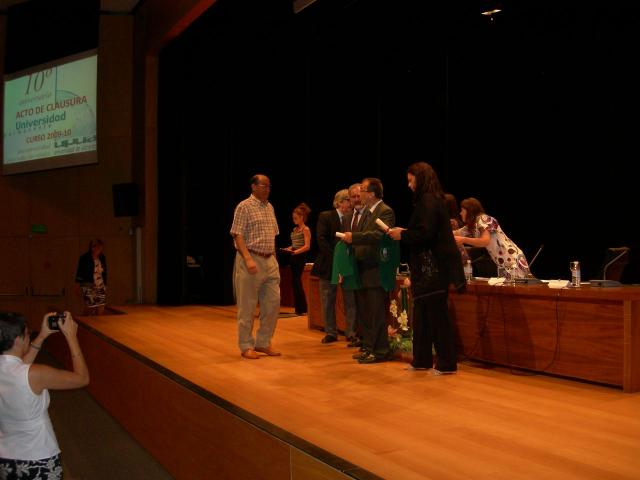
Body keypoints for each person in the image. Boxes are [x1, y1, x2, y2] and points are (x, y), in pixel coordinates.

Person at [388, 162, 465, 374]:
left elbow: (426, 233)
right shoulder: (429, 200)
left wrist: (403, 234)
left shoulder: (429, 201)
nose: (409, 185)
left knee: (437, 316)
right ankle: (421, 360)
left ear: (420, 179)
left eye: (411, 180)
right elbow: (425, 230)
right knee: (422, 315)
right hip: (426, 269)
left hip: (433, 268)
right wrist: (405, 231)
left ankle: (447, 363)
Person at [0, 311, 90, 479]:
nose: (30, 337)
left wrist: (42, 336)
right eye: (28, 334)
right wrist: (71, 337)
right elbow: (82, 378)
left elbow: (18, 368)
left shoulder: (12, 371)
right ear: (18, 339)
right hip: (38, 456)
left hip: (6, 456)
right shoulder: (36, 374)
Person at [342, 178, 395, 364]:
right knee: (365, 311)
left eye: (363, 190)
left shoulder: (385, 211)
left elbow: (379, 235)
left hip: (375, 268)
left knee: (376, 312)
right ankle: (369, 346)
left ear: (372, 194)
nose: (360, 193)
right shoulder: (367, 212)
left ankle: (381, 351)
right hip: (362, 268)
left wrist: (354, 237)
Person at [230, 174, 282, 360]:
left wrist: (274, 258)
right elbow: (237, 234)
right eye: (264, 185)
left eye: (269, 186)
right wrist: (247, 258)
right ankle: (246, 345)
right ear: (253, 186)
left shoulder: (270, 207)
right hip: (251, 258)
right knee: (247, 306)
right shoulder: (244, 206)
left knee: (273, 304)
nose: (267, 189)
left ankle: (263, 342)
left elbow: (272, 235)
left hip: (269, 260)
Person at [311, 189, 358, 344]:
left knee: (350, 300)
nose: (351, 203)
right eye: (348, 200)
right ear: (339, 202)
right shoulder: (326, 216)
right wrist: (336, 260)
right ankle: (331, 332)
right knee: (327, 300)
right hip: (328, 265)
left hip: (348, 266)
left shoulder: (353, 217)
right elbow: (321, 240)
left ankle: (351, 333)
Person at [453, 197, 529, 279]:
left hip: (512, 259)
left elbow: (485, 241)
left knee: (517, 285)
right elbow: (455, 233)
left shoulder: (484, 219)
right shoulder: (472, 226)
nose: (460, 213)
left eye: (462, 210)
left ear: (469, 210)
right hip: (503, 262)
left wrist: (463, 240)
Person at [282, 203, 312, 315]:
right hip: (294, 257)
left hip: (300, 257)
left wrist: (295, 252)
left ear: (302, 217)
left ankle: (302, 308)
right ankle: (298, 308)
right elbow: (294, 244)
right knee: (294, 282)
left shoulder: (305, 229)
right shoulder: (295, 229)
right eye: (293, 218)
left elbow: (307, 246)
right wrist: (288, 249)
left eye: (295, 218)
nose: (294, 220)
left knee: (297, 282)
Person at [74, 238, 107, 316]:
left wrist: (105, 284)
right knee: (90, 307)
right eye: (98, 247)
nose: (100, 249)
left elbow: (105, 272)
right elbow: (80, 272)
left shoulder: (102, 257)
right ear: (92, 248)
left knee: (101, 306)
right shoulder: (84, 258)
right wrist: (77, 285)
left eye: (101, 247)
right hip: (88, 285)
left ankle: (98, 322)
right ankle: (83, 321)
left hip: (100, 285)